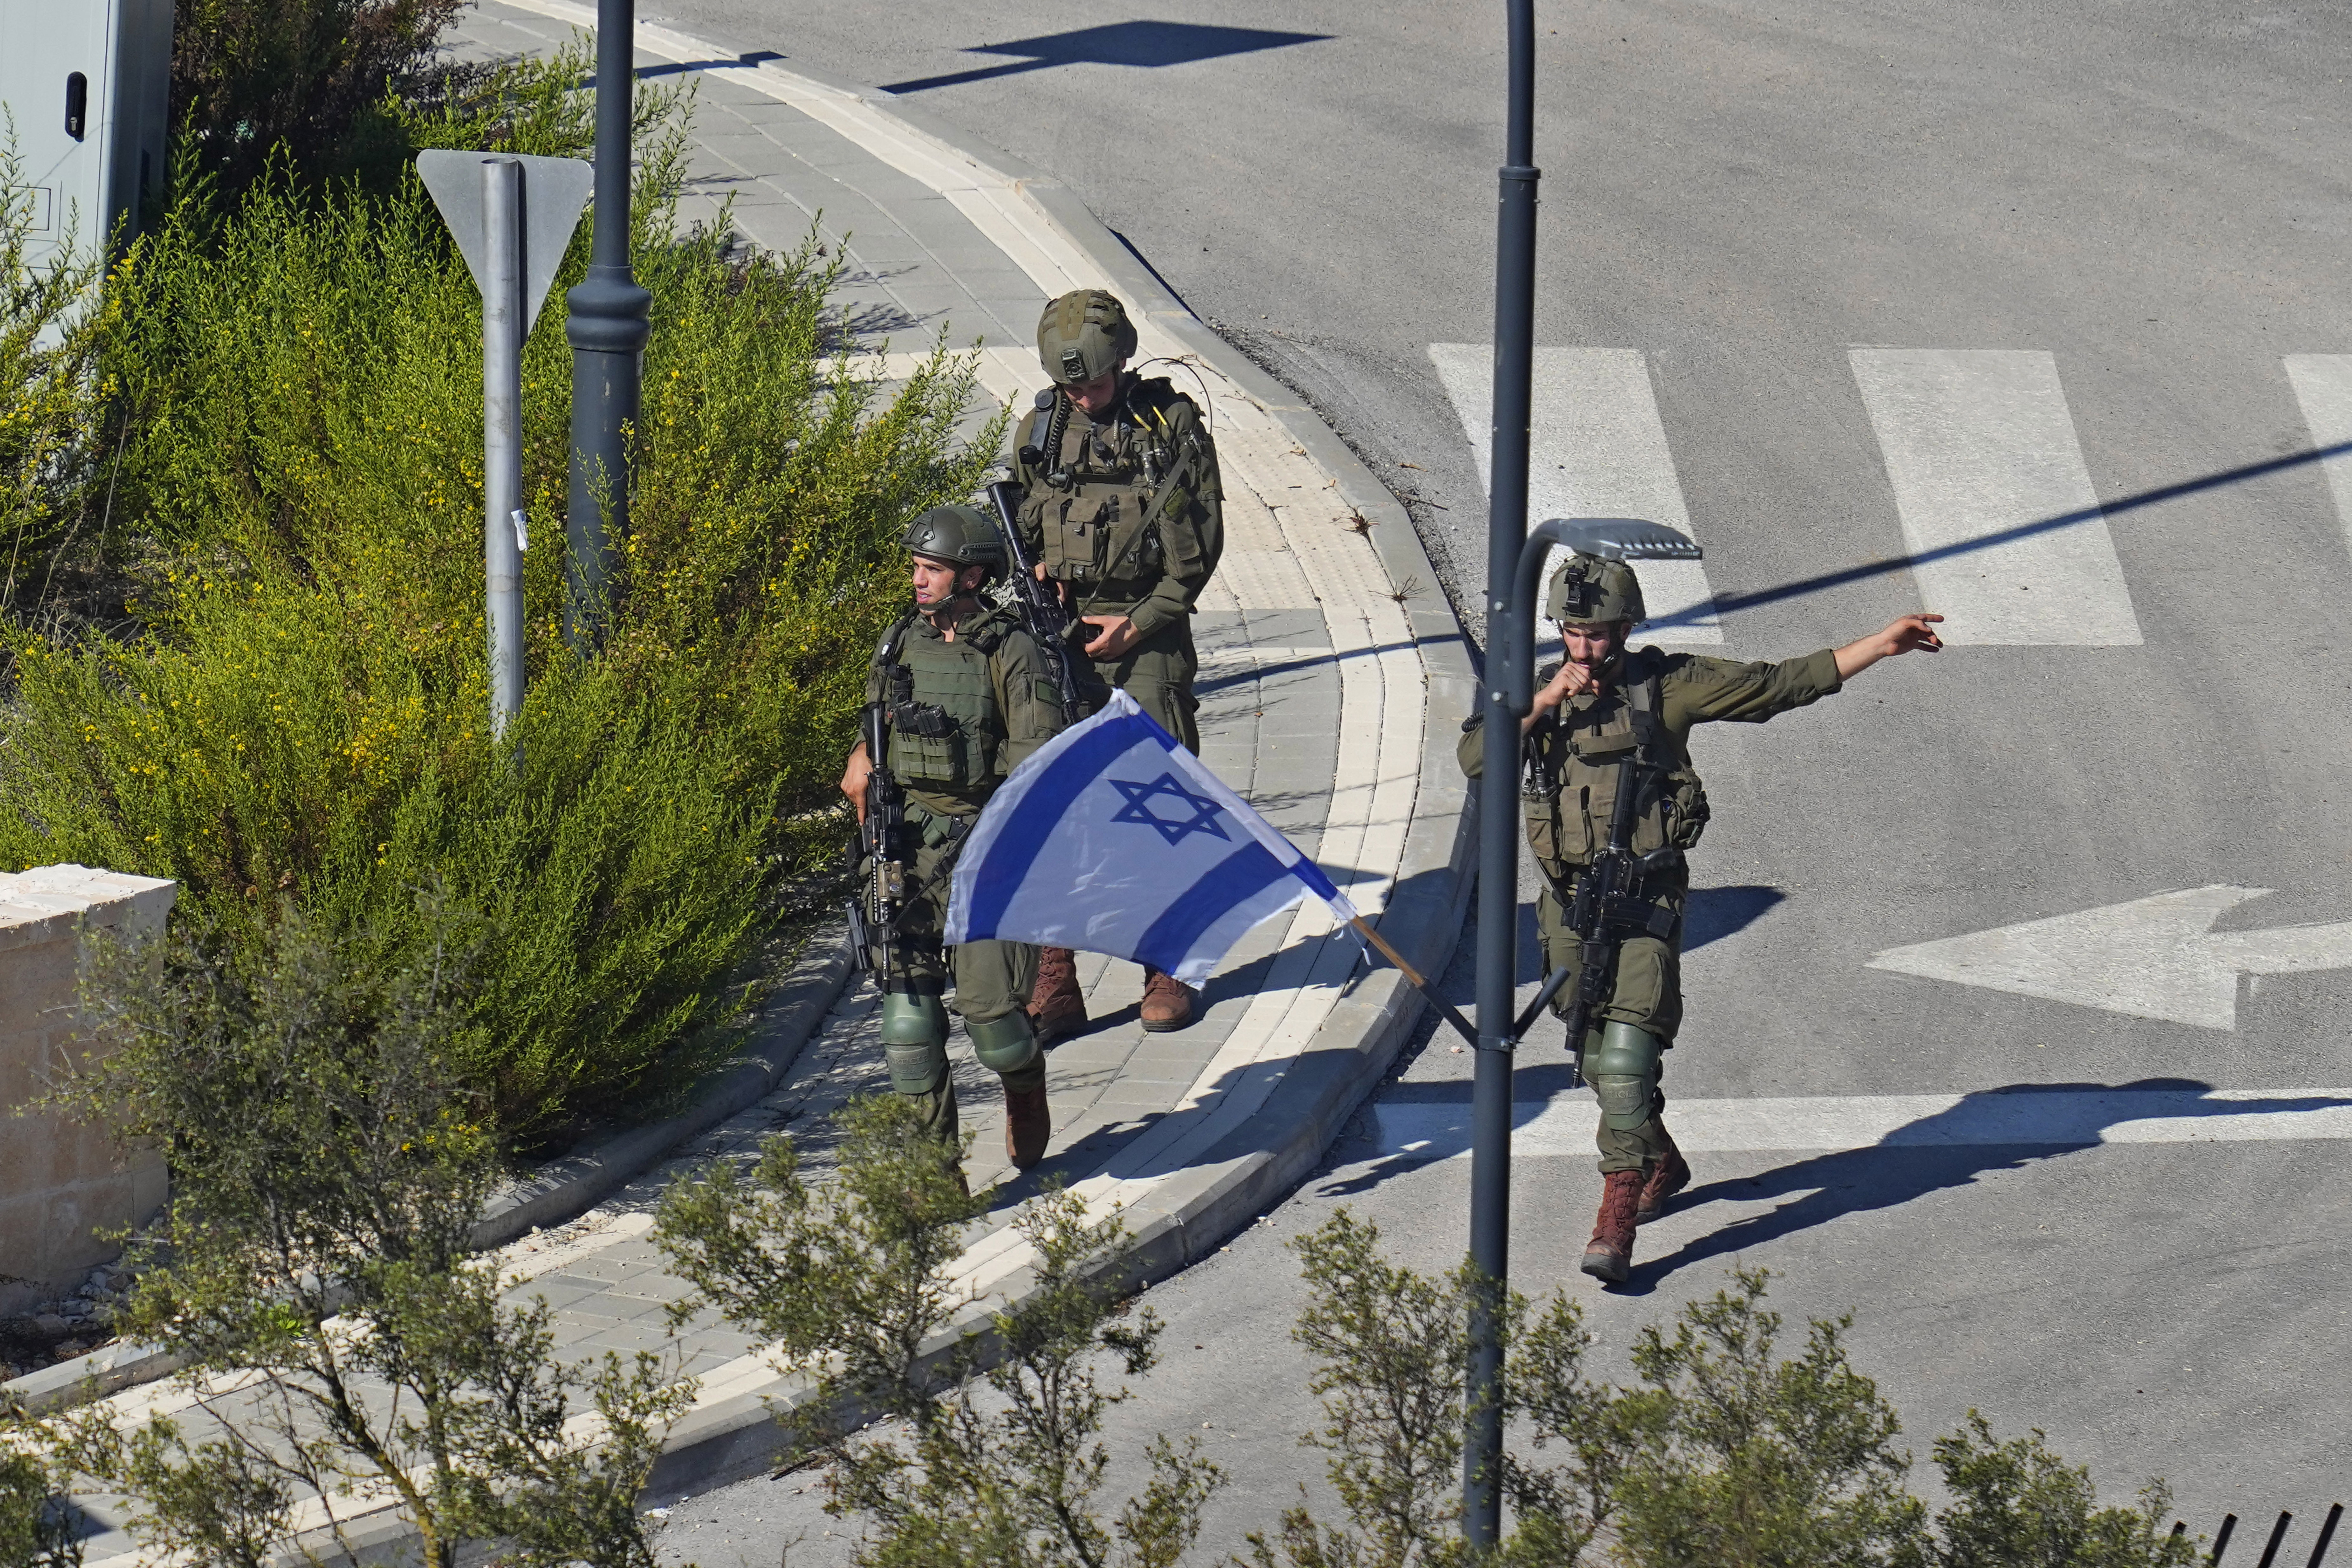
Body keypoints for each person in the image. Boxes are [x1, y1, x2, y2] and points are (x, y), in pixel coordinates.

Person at [1458, 553, 1943, 1283]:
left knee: (1625, 1062)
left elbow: (1774, 687)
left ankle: (1616, 1217)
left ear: (1626, 627)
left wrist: (1878, 645)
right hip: (1567, 906)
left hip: (1645, 898)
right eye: (1571, 632)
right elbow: (1476, 759)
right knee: (1592, 1055)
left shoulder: (1666, 687)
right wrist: (1545, 703)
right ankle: (1659, 1160)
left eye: (1597, 633)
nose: (1584, 647)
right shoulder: (1532, 695)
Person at [1011, 288, 1226, 1038]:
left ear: (1124, 362)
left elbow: (1197, 559)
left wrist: (1135, 628)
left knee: (1160, 804)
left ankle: (1167, 964)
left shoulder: (1168, 433)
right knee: (1051, 806)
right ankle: (1056, 977)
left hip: (1148, 637)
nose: (1083, 396)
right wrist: (1039, 576)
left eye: (1095, 385)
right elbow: (1030, 527)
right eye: (1072, 386)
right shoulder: (1040, 430)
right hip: (1064, 638)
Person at [839, 505, 1068, 1171]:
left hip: (985, 848)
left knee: (995, 1029)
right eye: (915, 568)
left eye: (930, 570)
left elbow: (1035, 762)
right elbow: (875, 723)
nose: (917, 581)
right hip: (904, 844)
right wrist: (862, 769)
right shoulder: (899, 640)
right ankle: (932, 1177)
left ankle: (1024, 1086)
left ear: (971, 577)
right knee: (908, 1026)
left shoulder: (1010, 650)